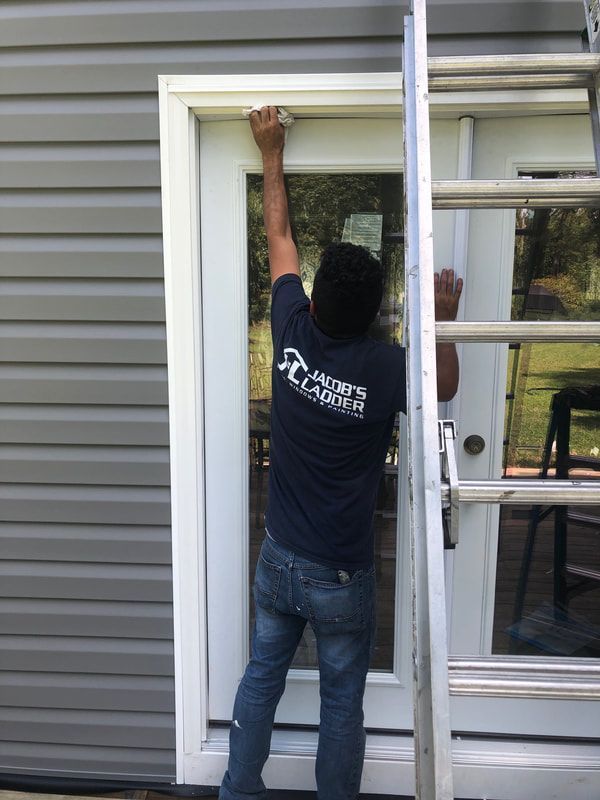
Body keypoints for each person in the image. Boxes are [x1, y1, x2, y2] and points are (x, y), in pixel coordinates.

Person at [219, 106, 462, 800]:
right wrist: (442, 319)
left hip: (280, 559)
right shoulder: (387, 370)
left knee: (261, 677)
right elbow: (440, 385)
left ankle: (237, 790)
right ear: (378, 314)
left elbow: (278, 235)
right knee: (339, 703)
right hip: (340, 576)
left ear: (316, 302)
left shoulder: (291, 326)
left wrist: (271, 151)